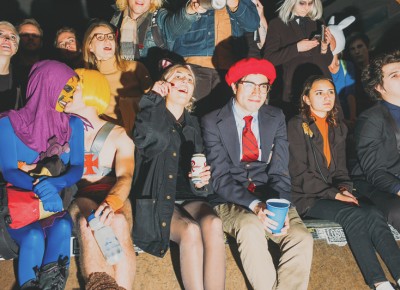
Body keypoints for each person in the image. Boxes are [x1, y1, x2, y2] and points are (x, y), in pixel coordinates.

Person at [201, 58, 313, 290]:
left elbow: (280, 170)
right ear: (234, 86)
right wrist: (255, 206)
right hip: (230, 199)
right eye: (250, 84)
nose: (257, 92)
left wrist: (278, 207)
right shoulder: (212, 121)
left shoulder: (276, 117)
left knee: (301, 237)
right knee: (251, 228)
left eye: (263, 86)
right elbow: (220, 179)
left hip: (269, 194)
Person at [288, 75, 400, 290]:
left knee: (373, 212)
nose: (327, 97)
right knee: (353, 214)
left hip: (331, 193)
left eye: (330, 92)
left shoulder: (338, 127)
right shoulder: (296, 125)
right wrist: (337, 195)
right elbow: (299, 175)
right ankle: (379, 282)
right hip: (304, 196)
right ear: (306, 99)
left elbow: (341, 170)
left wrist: (344, 189)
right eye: (319, 93)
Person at [132, 63, 226, 290]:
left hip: (189, 198)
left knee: (213, 222)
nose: (185, 81)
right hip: (158, 199)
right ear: (164, 83)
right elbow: (153, 141)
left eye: (190, 79)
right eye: (178, 76)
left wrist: (203, 182)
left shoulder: (194, 124)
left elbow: (201, 182)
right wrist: (154, 97)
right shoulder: (149, 113)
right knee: (191, 230)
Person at [0, 60, 84, 289]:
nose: (70, 95)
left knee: (63, 226)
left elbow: (78, 166)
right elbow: (8, 170)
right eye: (66, 88)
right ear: (47, 85)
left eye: (73, 89)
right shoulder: (8, 123)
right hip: (17, 205)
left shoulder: (74, 124)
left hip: (55, 201)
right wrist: (39, 185)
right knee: (33, 236)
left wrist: (56, 184)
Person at [66, 68, 136, 290]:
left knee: (118, 222)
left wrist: (111, 202)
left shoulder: (119, 134)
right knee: (89, 224)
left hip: (112, 192)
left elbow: (126, 175)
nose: (64, 94)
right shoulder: (60, 131)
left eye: (71, 89)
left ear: (90, 91)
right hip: (78, 195)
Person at [171, 0, 260, 116]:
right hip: (194, 66)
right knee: (192, 116)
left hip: (228, 69)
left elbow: (253, 24)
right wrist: (191, 8)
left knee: (223, 121)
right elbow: (173, 26)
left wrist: (236, 5)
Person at [351, 51, 400, 233]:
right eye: (395, 75)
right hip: (375, 184)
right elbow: (375, 172)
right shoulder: (372, 119)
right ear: (379, 86)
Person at [263, 0, 335, 120]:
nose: (306, 7)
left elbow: (327, 62)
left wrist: (324, 47)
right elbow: (269, 59)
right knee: (298, 128)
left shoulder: (318, 22)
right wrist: (296, 48)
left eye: (310, 3)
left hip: (321, 84)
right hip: (295, 87)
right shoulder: (277, 24)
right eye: (302, 3)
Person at [82, 20, 152, 133]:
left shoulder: (135, 68)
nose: (107, 40)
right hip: (110, 139)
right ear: (90, 46)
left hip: (143, 134)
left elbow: (154, 103)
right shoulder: (86, 79)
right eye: (99, 37)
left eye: (110, 37)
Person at [13, 18, 43, 105]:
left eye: (35, 35)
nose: (30, 38)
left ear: (41, 42)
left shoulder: (50, 70)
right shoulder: (9, 71)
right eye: (25, 35)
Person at [345, 31, 376, 115]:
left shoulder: (378, 67)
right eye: (353, 49)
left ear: (367, 47)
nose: (357, 51)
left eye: (359, 46)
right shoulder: (350, 76)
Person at [0, 21, 22, 113]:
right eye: (0, 34)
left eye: (12, 37)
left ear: (15, 48)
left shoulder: (20, 79)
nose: (7, 38)